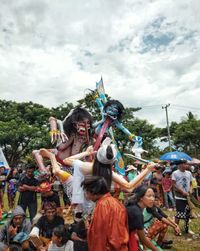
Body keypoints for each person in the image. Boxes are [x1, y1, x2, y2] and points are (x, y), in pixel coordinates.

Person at [81, 176, 129, 251]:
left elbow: (100, 236)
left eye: (87, 192)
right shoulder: (115, 202)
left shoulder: (102, 205)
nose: (87, 196)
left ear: (93, 192)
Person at [126, 184, 160, 251]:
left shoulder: (134, 207)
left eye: (153, 196)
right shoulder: (137, 213)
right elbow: (143, 239)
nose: (152, 199)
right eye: (149, 196)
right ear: (141, 197)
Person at [172, 159, 193, 234]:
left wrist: (190, 190)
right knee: (179, 213)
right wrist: (182, 192)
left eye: (186, 164)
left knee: (187, 213)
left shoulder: (189, 173)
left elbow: (190, 183)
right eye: (185, 164)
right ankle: (176, 228)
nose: (187, 165)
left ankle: (186, 228)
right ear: (180, 165)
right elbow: (174, 184)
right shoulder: (175, 173)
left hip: (187, 196)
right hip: (179, 196)